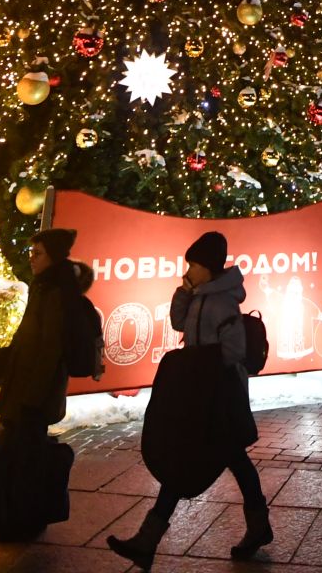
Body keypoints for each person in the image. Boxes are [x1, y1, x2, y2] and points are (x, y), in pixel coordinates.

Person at [107, 232, 271, 570]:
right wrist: (182, 293)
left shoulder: (223, 302)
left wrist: (202, 366)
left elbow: (234, 352)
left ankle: (148, 539)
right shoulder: (199, 297)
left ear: (207, 267)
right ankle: (257, 527)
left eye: (193, 265)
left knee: (210, 459)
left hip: (219, 395)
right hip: (205, 392)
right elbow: (179, 323)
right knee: (229, 460)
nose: (188, 271)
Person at [0, 227, 84, 541]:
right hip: (27, 388)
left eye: (37, 253)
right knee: (20, 456)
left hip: (33, 393)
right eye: (31, 252)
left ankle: (22, 520)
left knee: (23, 458)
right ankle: (18, 517)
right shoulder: (45, 287)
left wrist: (32, 398)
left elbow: (49, 349)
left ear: (53, 256)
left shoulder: (55, 292)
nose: (32, 259)